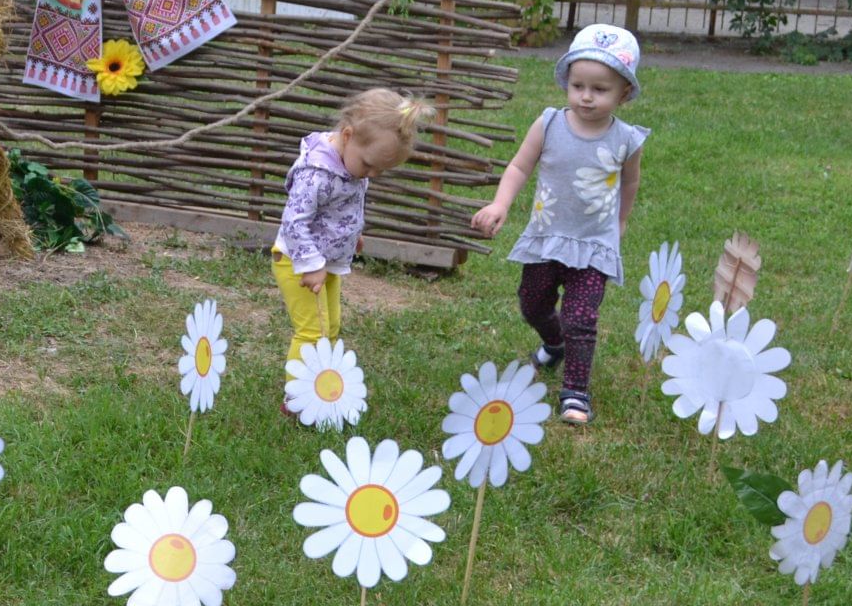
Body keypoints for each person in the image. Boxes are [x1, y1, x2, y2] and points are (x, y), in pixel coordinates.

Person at [471, 24, 648, 425]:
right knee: (532, 303)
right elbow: (519, 166)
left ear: (623, 93)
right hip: (545, 238)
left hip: (592, 244)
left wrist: (620, 222)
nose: (586, 96)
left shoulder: (626, 140)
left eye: (599, 89)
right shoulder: (549, 124)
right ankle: (554, 342)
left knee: (581, 319)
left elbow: (630, 182)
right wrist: (501, 204)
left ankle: (575, 393)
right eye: (578, 85)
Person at [272, 89, 430, 397]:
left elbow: (344, 207)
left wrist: (351, 235)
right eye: (370, 166)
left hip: (327, 262)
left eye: (380, 171)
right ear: (347, 135)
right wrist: (312, 265)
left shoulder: (351, 162)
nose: (371, 174)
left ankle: (321, 393)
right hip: (298, 261)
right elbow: (293, 222)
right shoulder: (316, 172)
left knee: (329, 330)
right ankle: (296, 400)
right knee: (311, 332)